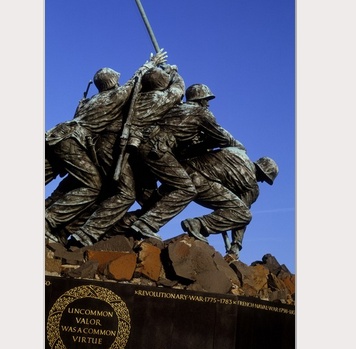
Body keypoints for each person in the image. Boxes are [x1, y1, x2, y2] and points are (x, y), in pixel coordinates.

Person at [44, 50, 167, 242]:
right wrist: (151, 64)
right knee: (93, 185)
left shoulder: (91, 100)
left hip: (58, 135)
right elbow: (134, 82)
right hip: (71, 140)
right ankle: (48, 220)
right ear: (113, 82)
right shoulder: (114, 96)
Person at [66, 61, 185, 246]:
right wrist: (174, 73)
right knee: (126, 194)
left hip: (111, 146)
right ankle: (88, 232)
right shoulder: (157, 99)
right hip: (115, 147)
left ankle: (84, 230)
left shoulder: (132, 97)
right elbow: (178, 90)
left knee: (113, 192)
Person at [126, 83, 245, 239]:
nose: (208, 104)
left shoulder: (177, 109)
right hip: (157, 149)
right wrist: (235, 146)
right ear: (200, 99)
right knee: (187, 189)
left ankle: (122, 225)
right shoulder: (202, 113)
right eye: (206, 100)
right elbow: (222, 137)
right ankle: (146, 224)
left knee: (153, 199)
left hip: (142, 145)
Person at [180, 150, 279, 260]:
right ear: (262, 172)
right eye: (265, 178)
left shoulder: (238, 154)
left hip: (184, 171)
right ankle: (198, 224)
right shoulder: (252, 186)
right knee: (245, 215)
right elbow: (241, 214)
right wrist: (236, 245)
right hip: (202, 184)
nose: (262, 181)